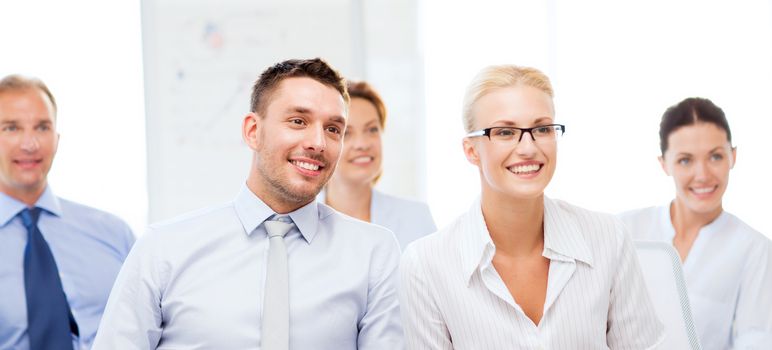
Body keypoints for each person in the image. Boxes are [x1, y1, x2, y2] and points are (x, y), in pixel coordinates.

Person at [92, 58, 403, 349]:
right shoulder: (163, 248)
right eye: (298, 121)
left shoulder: (373, 253)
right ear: (253, 131)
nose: (318, 143)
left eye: (333, 129)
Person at [398, 64, 664, 349]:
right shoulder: (425, 264)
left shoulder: (608, 238)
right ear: (471, 150)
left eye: (542, 128)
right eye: (504, 132)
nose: (528, 147)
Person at [619, 97, 772, 349]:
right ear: (664, 164)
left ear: (733, 157)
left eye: (715, 157)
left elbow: (756, 340)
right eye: (685, 160)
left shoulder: (755, 251)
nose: (702, 175)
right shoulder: (624, 230)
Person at [0, 74, 135, 350]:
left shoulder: (113, 234)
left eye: (42, 127)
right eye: (11, 128)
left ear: (57, 138)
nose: (30, 144)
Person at [321, 80, 436, 249]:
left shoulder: (415, 217)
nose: (362, 144)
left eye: (372, 130)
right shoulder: (295, 220)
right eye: (347, 133)